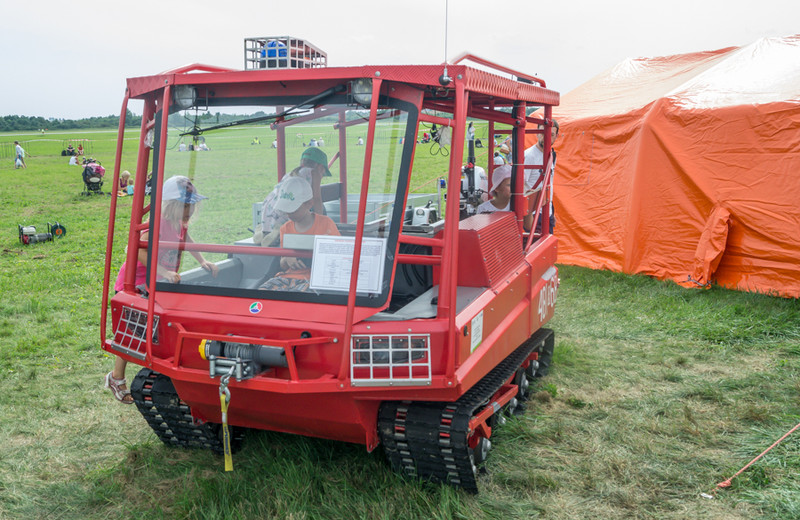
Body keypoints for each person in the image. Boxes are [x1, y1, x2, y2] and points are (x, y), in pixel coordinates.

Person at [105, 176, 218, 404]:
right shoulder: (156, 223)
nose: (190, 210)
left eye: (192, 205)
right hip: (136, 284)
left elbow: (186, 239)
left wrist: (202, 261)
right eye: (185, 206)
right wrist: (165, 272)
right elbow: (138, 251)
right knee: (132, 332)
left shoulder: (179, 224)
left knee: (154, 330)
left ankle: (165, 371)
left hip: (156, 284)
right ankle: (116, 377)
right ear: (171, 205)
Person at [259, 177, 340, 292]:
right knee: (262, 292)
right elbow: (283, 264)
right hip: (287, 277)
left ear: (309, 204)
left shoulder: (326, 224)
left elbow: (337, 259)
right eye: (286, 209)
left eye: (293, 209)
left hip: (313, 280)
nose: (289, 213)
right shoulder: (285, 228)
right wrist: (287, 259)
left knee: (298, 296)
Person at [257, 147, 331, 246]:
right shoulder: (314, 173)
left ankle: (263, 232)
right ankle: (280, 230)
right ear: (320, 167)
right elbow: (317, 198)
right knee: (302, 215)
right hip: (288, 208)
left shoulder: (291, 173)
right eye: (323, 173)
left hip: (271, 208)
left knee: (274, 225)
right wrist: (320, 222)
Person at [523, 119, 559, 233]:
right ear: (537, 133)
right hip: (534, 211)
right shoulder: (529, 156)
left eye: (551, 134)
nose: (547, 136)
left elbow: (549, 183)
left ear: (556, 136)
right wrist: (528, 214)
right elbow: (522, 184)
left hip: (546, 209)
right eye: (543, 133)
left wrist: (551, 211)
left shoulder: (552, 155)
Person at [476, 164, 533, 231]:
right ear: (497, 188)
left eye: (517, 184)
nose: (515, 188)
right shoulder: (484, 208)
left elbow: (529, 226)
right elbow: (482, 231)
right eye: (509, 185)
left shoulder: (518, 205)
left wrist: (528, 203)